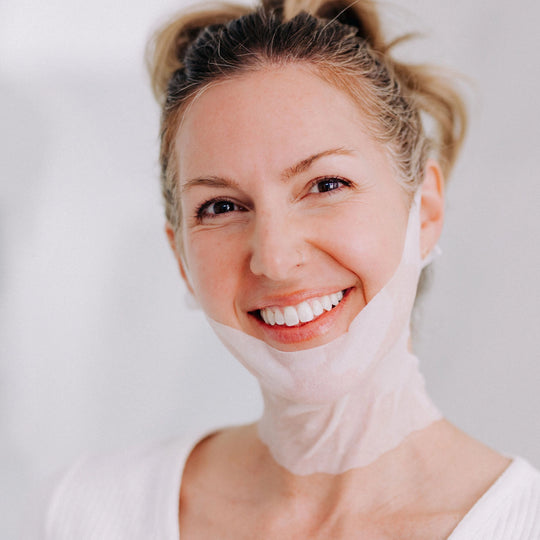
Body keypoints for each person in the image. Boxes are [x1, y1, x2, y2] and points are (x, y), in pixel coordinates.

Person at [39, 0, 540, 538]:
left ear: (426, 210)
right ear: (180, 255)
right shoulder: (87, 513)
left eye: (326, 185)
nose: (275, 260)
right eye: (222, 207)